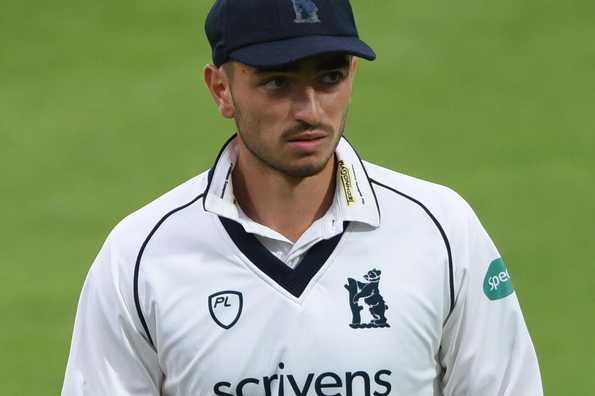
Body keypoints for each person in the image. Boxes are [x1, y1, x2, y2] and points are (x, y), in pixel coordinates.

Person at [61, 0, 543, 395]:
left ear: (352, 75)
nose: (310, 110)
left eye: (329, 78)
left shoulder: (442, 230)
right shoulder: (139, 256)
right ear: (221, 90)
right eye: (278, 82)